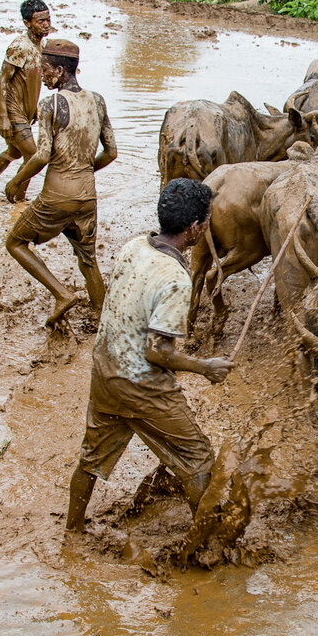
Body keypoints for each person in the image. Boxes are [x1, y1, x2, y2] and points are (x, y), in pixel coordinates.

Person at [66, 178, 234, 533]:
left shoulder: (134, 246)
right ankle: (206, 543)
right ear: (195, 228)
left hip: (105, 371)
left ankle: (73, 530)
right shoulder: (176, 278)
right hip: (141, 385)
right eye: (206, 221)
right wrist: (205, 367)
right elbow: (157, 352)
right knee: (199, 458)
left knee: (91, 457)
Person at [4, 38, 117, 328]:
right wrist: (84, 168)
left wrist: (16, 181)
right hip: (86, 197)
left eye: (44, 70)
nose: (42, 75)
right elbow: (112, 152)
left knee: (16, 243)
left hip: (56, 197)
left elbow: (42, 155)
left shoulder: (50, 103)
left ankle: (62, 294)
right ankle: (100, 319)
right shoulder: (98, 101)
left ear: (59, 71)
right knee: (88, 259)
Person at [0, 0, 52, 192]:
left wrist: (34, 109)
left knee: (14, 152)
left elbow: (31, 80)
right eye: (40, 21)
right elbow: (2, 80)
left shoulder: (41, 46)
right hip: (12, 112)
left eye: (48, 20)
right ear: (27, 24)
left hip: (25, 111)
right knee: (34, 156)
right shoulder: (19, 46)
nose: (46, 25)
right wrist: (3, 116)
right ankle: (17, 197)